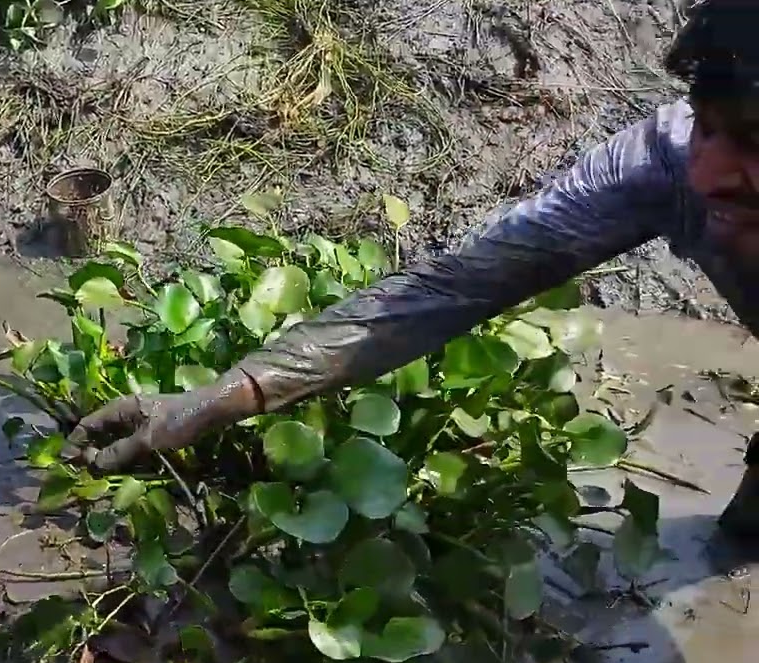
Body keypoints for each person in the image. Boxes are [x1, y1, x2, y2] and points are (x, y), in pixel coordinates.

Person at [67, 0, 759, 548]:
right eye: (707, 126)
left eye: (753, 142)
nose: (708, 174)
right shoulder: (662, 168)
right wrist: (213, 400)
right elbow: (445, 291)